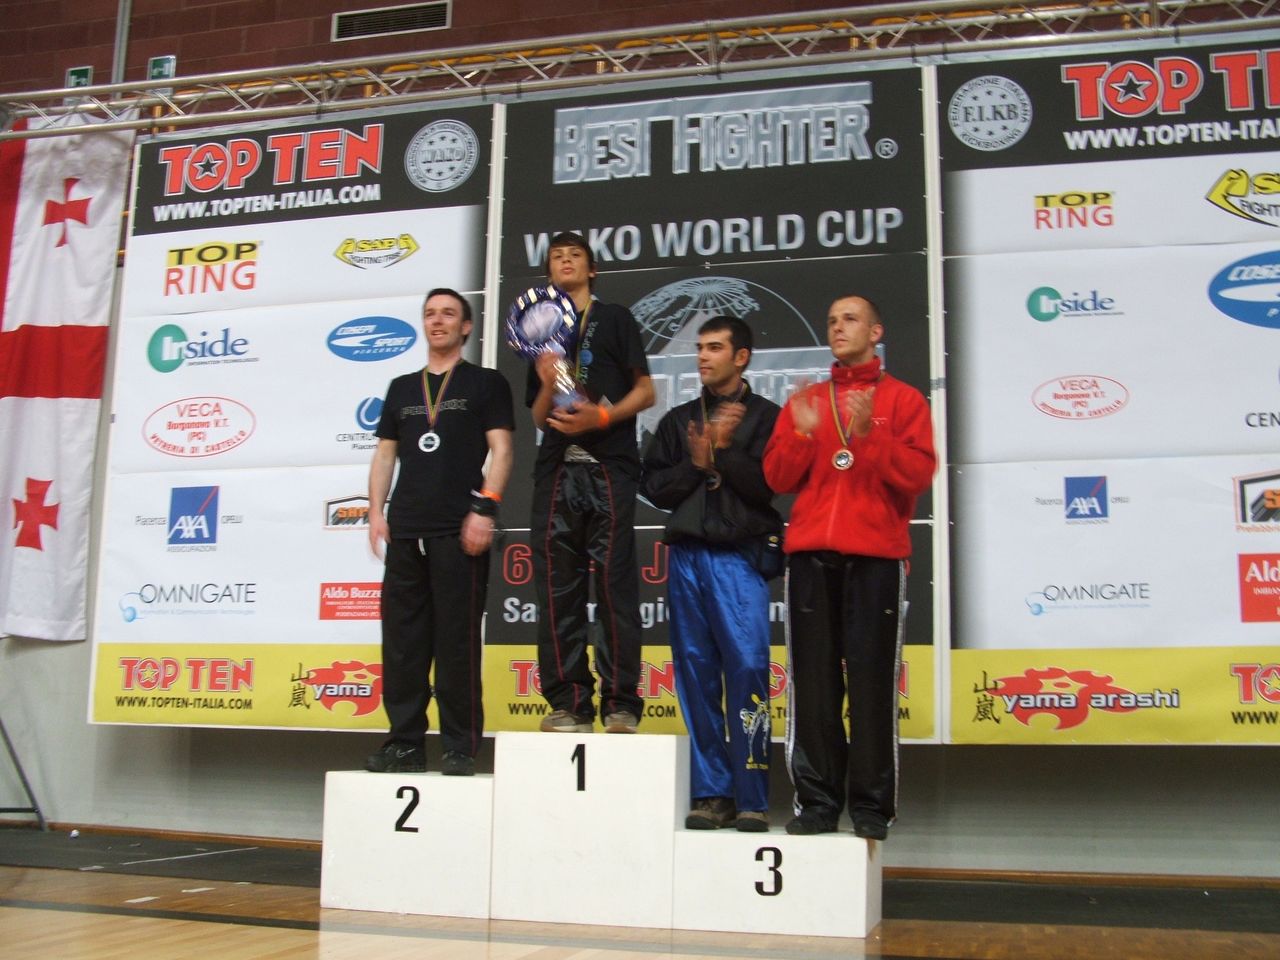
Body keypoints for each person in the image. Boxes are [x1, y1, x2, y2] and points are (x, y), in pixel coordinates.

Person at [762, 294, 936, 839]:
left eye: (850, 319)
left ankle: (870, 806)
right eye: (832, 320)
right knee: (813, 686)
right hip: (811, 557)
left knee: (871, 684)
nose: (838, 327)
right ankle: (817, 802)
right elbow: (777, 478)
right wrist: (801, 433)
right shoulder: (808, 401)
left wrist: (871, 436)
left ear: (876, 332)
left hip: (876, 558)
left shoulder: (904, 400)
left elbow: (918, 475)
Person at [640, 316, 783, 832]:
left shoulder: (767, 417)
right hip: (686, 559)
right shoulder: (679, 420)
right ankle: (711, 793)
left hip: (738, 557)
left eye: (715, 348)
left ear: (741, 357)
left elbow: (771, 484)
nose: (703, 356)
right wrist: (697, 463)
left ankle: (752, 796)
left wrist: (723, 452)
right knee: (695, 674)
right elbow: (654, 488)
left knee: (747, 668)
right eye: (700, 347)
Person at [365, 287, 514, 775]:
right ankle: (404, 744)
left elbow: (502, 450)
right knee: (403, 644)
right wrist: (376, 511)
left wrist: (484, 510)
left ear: (466, 327)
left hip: (458, 529)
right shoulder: (402, 388)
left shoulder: (485, 383)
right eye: (430, 313)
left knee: (456, 642)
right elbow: (385, 454)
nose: (438, 320)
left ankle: (459, 746)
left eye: (449, 313)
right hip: (406, 530)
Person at [527, 232, 655, 733]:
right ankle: (569, 703)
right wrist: (547, 382)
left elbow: (646, 392)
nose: (565, 261)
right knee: (557, 590)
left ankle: (621, 703)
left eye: (574, 255)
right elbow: (539, 417)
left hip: (608, 464)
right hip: (558, 468)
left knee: (614, 586)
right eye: (556, 257)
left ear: (592, 269)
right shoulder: (541, 331)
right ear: (548, 273)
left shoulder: (615, 318)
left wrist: (601, 418)